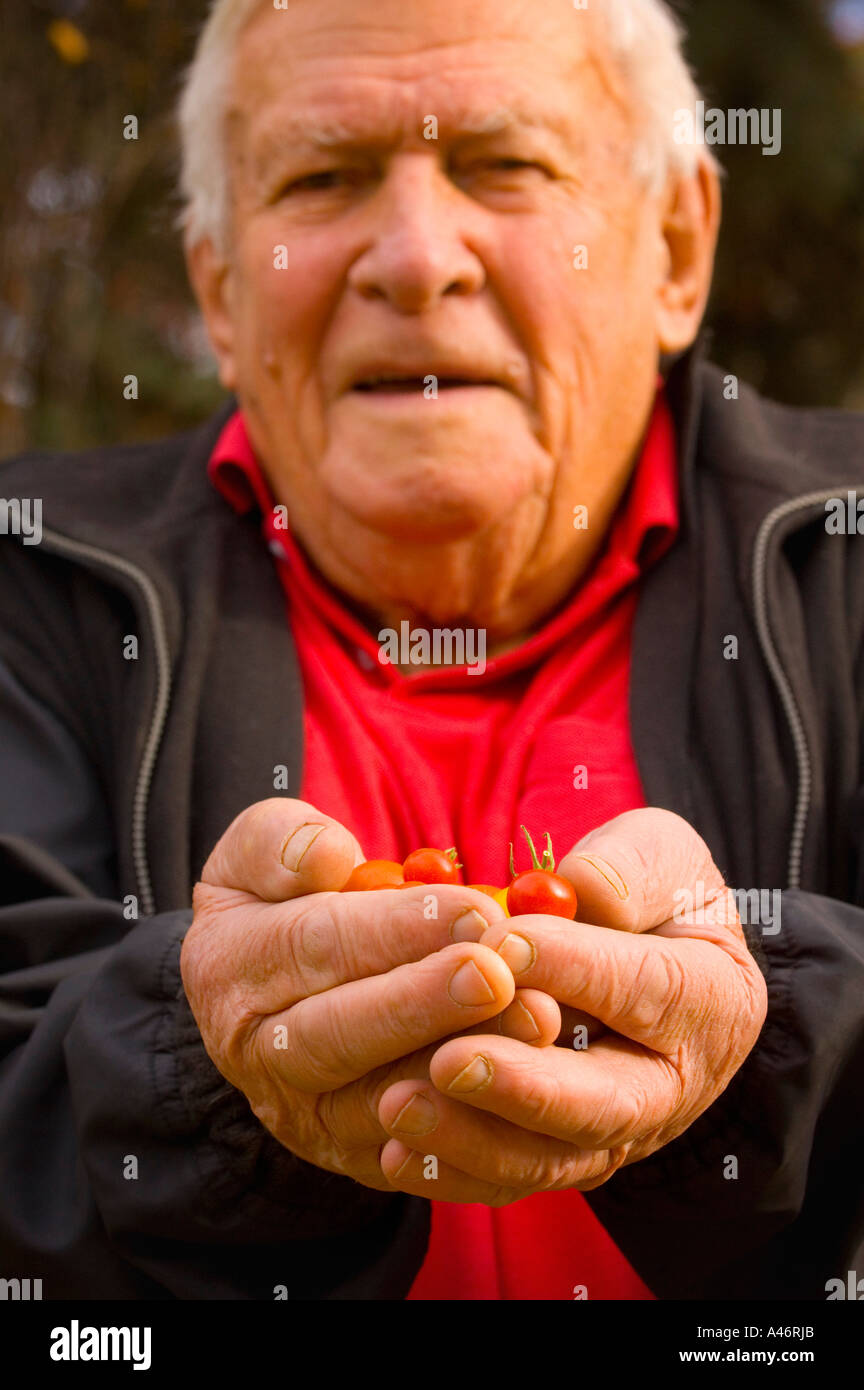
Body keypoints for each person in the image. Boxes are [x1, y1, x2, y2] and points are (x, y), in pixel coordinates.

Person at [0, 0, 862, 1302]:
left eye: (503, 164)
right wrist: (198, 1070)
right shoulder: (28, 580)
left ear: (677, 248)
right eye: (322, 177)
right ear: (221, 291)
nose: (414, 257)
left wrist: (778, 1034)